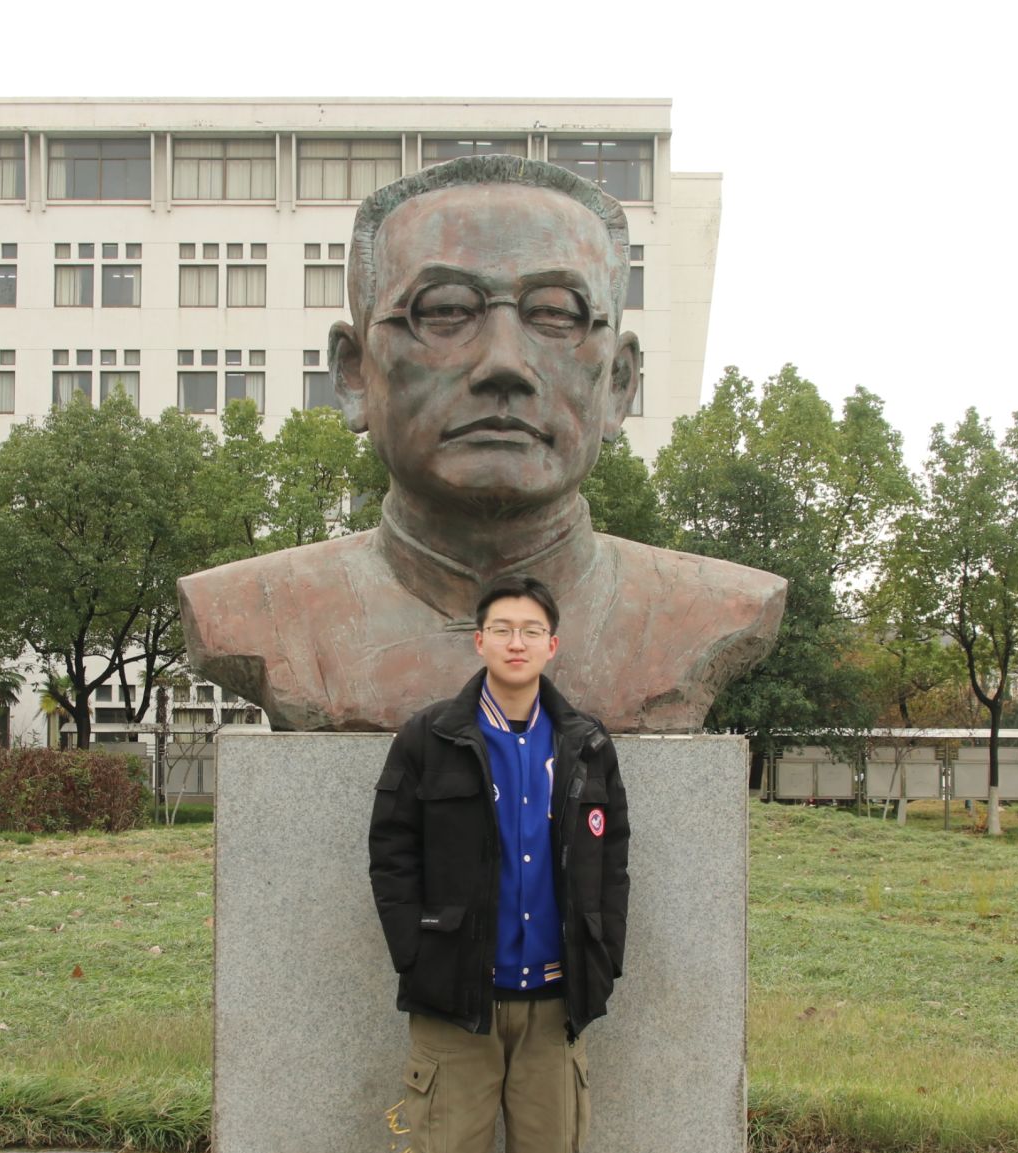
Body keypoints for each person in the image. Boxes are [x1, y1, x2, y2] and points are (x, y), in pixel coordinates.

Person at [177, 155, 785, 734]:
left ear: (618, 384)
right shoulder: (250, 611)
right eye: (444, 309)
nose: (503, 364)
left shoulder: (710, 610)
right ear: (355, 373)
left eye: (555, 313)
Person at [369, 574, 629, 1153]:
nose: (517, 642)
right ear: (479, 640)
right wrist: (418, 953)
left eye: (531, 629)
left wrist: (602, 955)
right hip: (459, 995)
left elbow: (613, 857)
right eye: (503, 628)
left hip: (554, 994)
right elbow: (391, 851)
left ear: (553, 644)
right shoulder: (431, 737)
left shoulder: (584, 742)